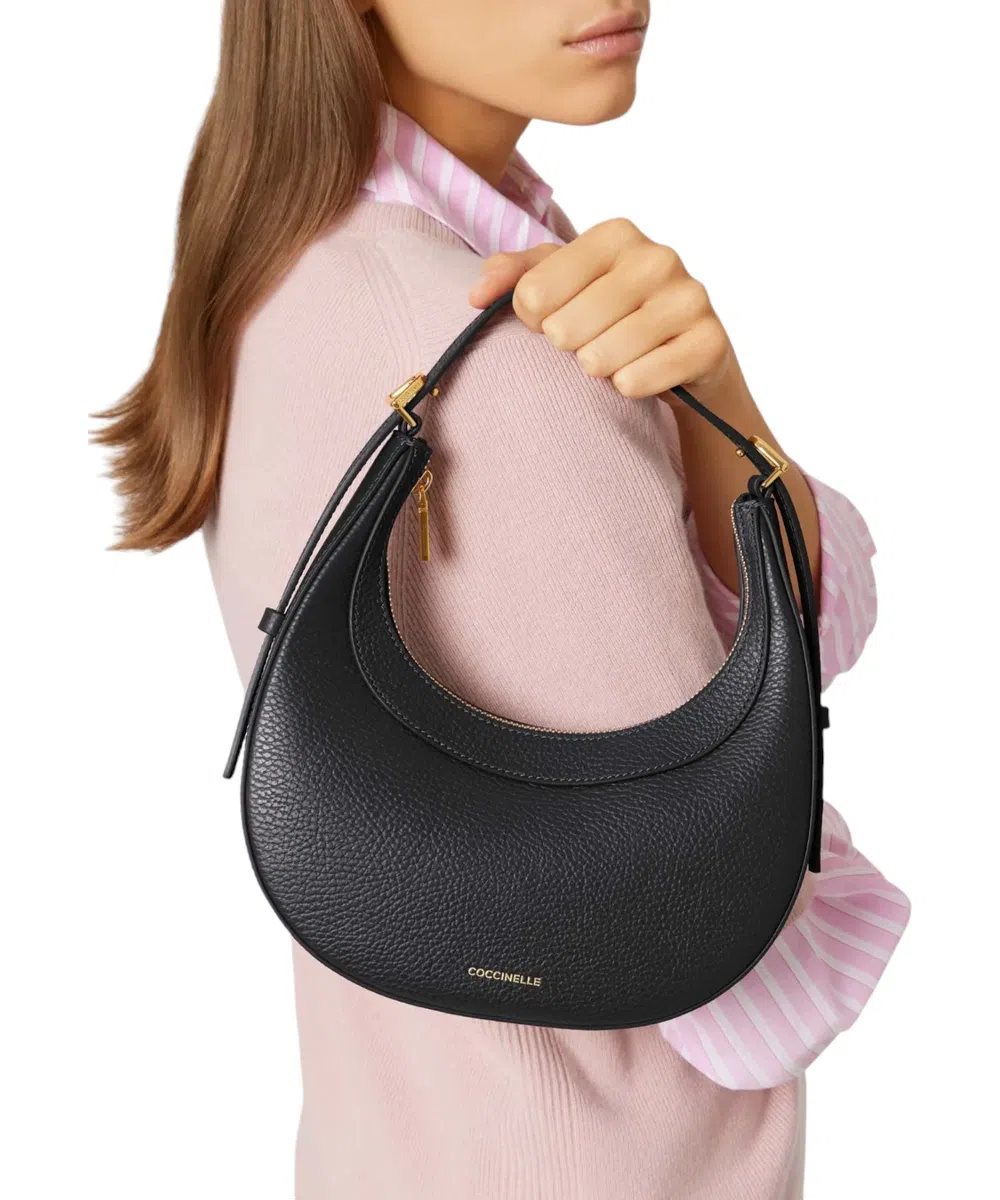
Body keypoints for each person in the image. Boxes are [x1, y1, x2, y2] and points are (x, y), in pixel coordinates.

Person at [90, 3, 910, 1196]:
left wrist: (708, 398)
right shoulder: (489, 356)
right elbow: (722, 934)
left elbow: (800, 635)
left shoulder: (306, 259)